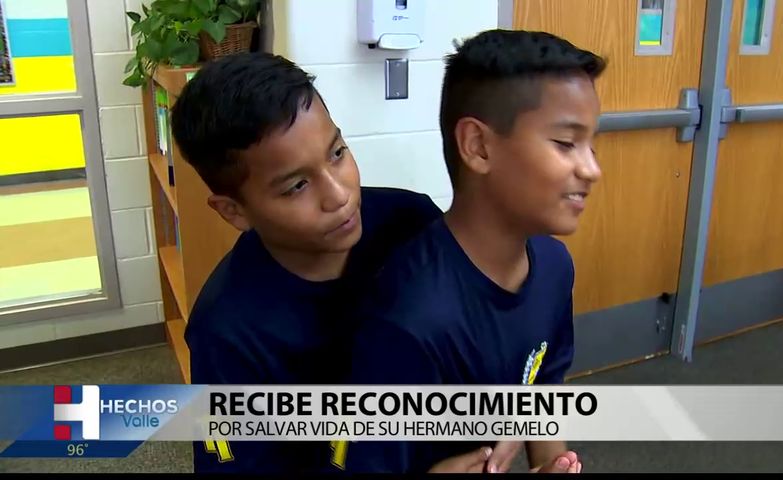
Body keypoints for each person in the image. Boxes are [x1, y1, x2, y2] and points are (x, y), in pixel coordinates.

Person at [170, 52, 451, 473]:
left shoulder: (412, 223)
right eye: (297, 185)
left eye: (337, 153)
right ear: (234, 211)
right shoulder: (227, 335)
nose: (339, 195)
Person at [341, 29, 605, 473]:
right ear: (478, 146)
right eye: (565, 143)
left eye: (591, 144)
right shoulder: (408, 321)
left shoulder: (555, 267)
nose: (592, 169)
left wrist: (553, 464)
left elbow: (542, 386)